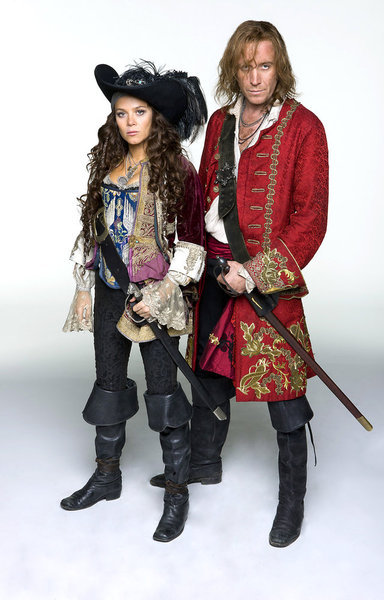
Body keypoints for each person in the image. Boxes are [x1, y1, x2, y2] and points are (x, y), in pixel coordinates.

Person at [151, 21, 329, 548]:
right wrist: (196, 262)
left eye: (265, 66)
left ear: (280, 68)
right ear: (234, 68)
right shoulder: (220, 123)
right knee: (208, 374)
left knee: (284, 393)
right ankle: (204, 463)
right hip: (214, 272)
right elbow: (204, 197)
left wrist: (253, 273)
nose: (255, 77)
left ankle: (292, 500)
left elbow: (310, 219)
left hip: (263, 279)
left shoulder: (305, 128)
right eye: (246, 66)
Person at [61, 61, 207, 543]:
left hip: (155, 299)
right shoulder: (108, 165)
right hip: (110, 292)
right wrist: (85, 285)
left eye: (139, 112)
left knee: (164, 395)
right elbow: (94, 231)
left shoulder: (177, 170)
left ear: (155, 117)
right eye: (121, 112)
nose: (129, 122)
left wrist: (162, 292)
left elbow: (192, 241)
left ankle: (177, 494)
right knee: (108, 385)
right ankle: (107, 476)